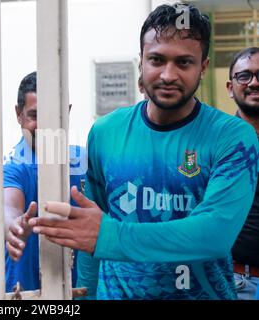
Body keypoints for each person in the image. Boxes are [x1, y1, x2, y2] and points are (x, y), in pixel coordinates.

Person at [28, 3, 259, 299]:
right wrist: (86, 293)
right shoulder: (105, 131)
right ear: (141, 63)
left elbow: (215, 233)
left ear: (203, 67)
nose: (167, 75)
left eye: (184, 62)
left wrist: (109, 236)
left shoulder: (233, 137)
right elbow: (90, 231)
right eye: (156, 60)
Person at [3, 71, 87, 293]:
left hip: (76, 290)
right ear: (18, 114)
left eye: (54, 114)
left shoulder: (85, 160)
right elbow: (7, 206)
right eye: (35, 115)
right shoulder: (14, 165)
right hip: (25, 293)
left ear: (67, 112)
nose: (46, 126)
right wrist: (13, 225)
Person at [226, 47, 259, 300]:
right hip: (239, 283)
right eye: (244, 76)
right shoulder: (216, 142)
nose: (254, 83)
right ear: (230, 87)